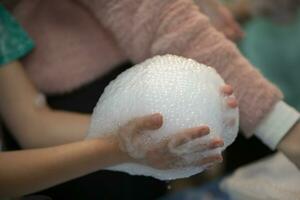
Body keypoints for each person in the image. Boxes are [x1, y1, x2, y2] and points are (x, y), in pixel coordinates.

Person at [5, 0, 300, 198]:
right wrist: (122, 145)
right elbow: (32, 126)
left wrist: (279, 125)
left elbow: (154, 13)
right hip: (81, 141)